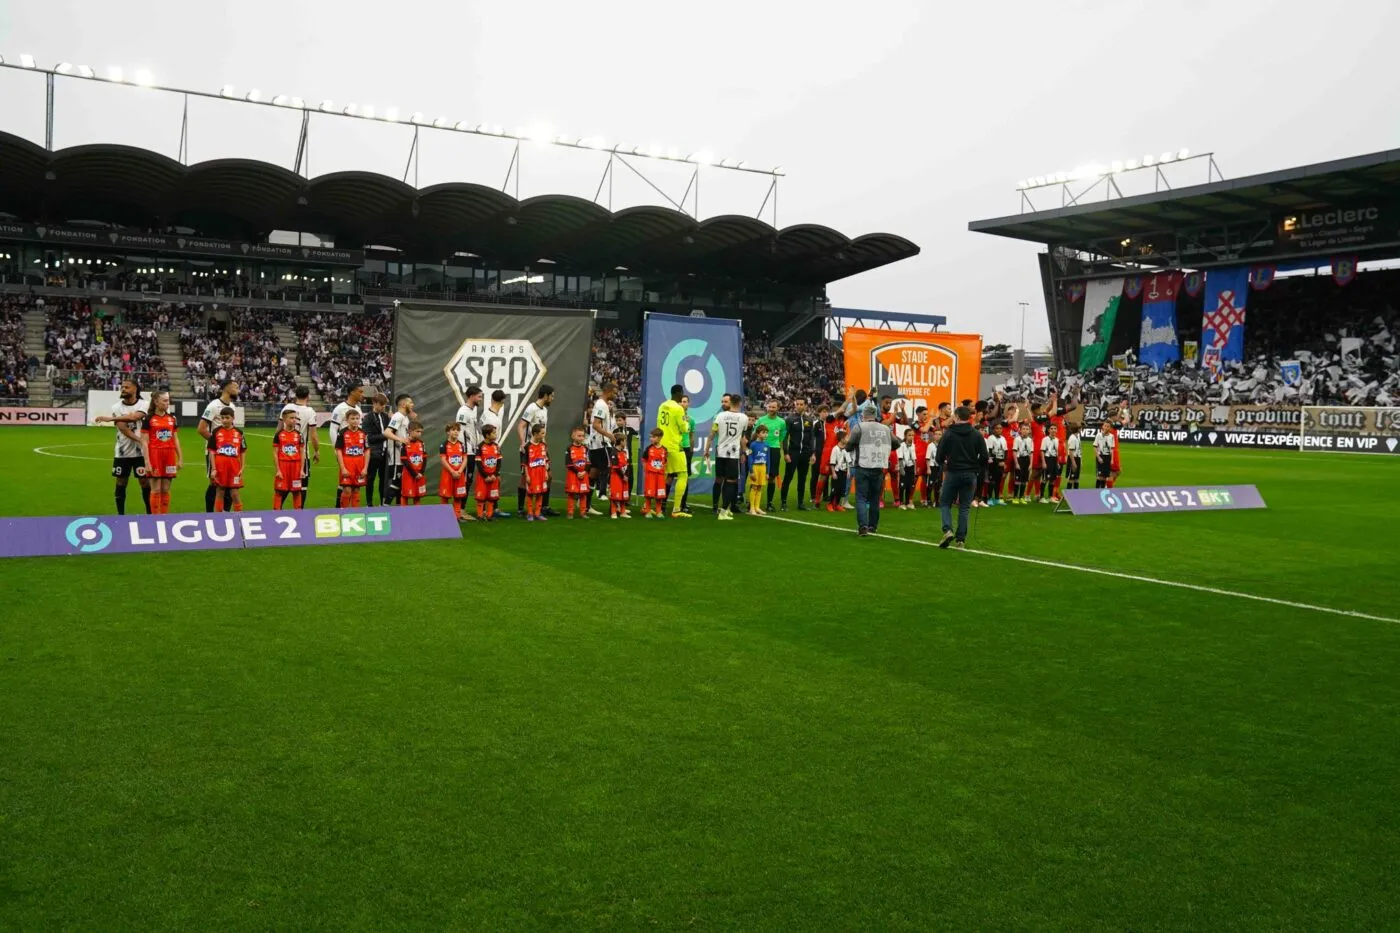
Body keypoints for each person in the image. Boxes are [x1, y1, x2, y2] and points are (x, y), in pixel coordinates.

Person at [92, 379, 151, 516]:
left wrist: (110, 419)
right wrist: (140, 440)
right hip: (122, 451)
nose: (123, 389)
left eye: (127, 387)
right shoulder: (116, 407)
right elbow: (123, 427)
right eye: (122, 387)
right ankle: (121, 514)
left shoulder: (144, 404)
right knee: (121, 481)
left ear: (135, 389)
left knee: (144, 482)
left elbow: (135, 417)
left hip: (142, 453)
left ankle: (150, 514)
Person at [936, 406, 988, 549]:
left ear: (957, 417)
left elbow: (939, 455)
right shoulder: (977, 434)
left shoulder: (949, 433)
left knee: (945, 503)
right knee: (964, 507)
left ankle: (947, 530)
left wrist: (944, 464)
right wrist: (976, 468)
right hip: (970, 474)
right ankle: (961, 540)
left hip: (953, 472)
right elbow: (985, 456)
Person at [843, 406, 898, 537]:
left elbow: (848, 446)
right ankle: (873, 526)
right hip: (879, 467)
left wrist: (855, 445)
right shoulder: (885, 428)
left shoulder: (859, 427)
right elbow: (896, 444)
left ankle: (863, 526)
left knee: (861, 498)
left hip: (863, 466)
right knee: (874, 498)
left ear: (864, 415)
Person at [197, 379, 239, 513]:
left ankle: (225, 513)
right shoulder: (213, 405)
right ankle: (209, 514)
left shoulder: (232, 406)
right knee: (215, 483)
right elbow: (201, 429)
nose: (238, 389)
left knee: (230, 483)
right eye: (235, 387)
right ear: (226, 388)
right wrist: (216, 444)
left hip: (230, 453)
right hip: (215, 453)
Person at [140, 390, 181, 515]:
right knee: (156, 489)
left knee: (165, 489)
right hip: (155, 455)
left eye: (168, 400)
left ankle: (164, 517)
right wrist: (147, 462)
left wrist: (180, 458)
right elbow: (144, 442)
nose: (167, 403)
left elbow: (175, 439)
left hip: (169, 456)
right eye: (164, 400)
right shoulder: (148, 419)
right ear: (156, 402)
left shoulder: (172, 419)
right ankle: (155, 518)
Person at [516, 384, 554, 517]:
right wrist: (523, 444)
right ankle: (521, 509)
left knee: (548, 476)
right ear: (546, 395)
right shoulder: (532, 408)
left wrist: (545, 444)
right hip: (530, 449)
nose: (552, 398)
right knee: (524, 479)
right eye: (552, 396)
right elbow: (521, 425)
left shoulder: (544, 410)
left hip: (541, 448)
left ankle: (544, 507)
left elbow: (543, 431)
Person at [709, 393, 748, 521]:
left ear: (730, 402)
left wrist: (706, 449)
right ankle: (724, 510)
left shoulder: (720, 415)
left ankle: (720, 508)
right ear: (740, 403)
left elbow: (712, 434)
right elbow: (743, 438)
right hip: (733, 453)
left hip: (720, 452)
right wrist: (745, 452)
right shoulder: (744, 418)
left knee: (720, 478)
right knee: (730, 481)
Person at [280, 386, 321, 508]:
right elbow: (313, 435)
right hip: (301, 453)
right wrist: (317, 451)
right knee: (302, 485)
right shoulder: (310, 412)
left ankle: (276, 510)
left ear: (295, 395)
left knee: (283, 483)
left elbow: (278, 430)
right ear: (308, 396)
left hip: (285, 453)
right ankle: (299, 512)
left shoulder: (287, 408)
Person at [655, 384, 691, 518]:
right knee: (683, 475)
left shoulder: (662, 405)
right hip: (675, 446)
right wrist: (686, 424)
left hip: (662, 446)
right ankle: (676, 509)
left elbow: (659, 424)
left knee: (666, 476)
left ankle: (660, 506)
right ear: (679, 393)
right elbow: (684, 428)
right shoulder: (679, 409)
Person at [780, 398, 819, 511]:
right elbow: (785, 437)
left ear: (805, 406)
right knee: (788, 477)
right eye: (797, 404)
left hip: (805, 453)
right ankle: (783, 503)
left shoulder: (809, 419)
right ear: (794, 405)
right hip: (793, 452)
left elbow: (812, 437)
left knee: (802, 478)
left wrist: (813, 453)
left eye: (801, 404)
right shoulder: (790, 419)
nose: (799, 406)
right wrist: (786, 452)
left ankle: (801, 503)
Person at [330, 383, 364, 505]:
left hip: (356, 453)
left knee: (354, 483)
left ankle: (349, 509)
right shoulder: (340, 408)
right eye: (360, 391)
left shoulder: (358, 409)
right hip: (345, 452)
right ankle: (340, 507)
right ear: (352, 392)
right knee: (345, 482)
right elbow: (333, 429)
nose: (362, 394)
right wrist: (336, 450)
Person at [206, 407, 245, 512]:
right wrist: (214, 469)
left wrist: (242, 467)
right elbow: (212, 451)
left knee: (235, 493)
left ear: (233, 418)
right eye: (222, 418)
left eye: (227, 418)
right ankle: (218, 518)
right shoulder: (216, 432)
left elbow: (242, 451)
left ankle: (240, 517)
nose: (224, 420)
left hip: (234, 467)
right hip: (220, 467)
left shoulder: (239, 433)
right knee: (220, 491)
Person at [587, 382, 618, 514]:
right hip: (601, 444)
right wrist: (609, 435)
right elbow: (596, 425)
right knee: (611, 470)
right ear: (609, 391)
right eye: (615, 392)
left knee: (594, 473)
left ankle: (585, 503)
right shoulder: (601, 405)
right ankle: (616, 507)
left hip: (597, 444)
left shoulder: (604, 405)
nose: (616, 395)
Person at [455, 385, 483, 519]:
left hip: (472, 450)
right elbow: (459, 431)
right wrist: (464, 451)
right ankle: (459, 510)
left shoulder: (473, 411)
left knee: (468, 480)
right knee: (464, 481)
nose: (481, 399)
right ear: (471, 396)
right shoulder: (463, 411)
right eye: (479, 396)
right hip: (466, 452)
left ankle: (461, 509)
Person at [754, 400, 786, 511]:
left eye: (774, 407)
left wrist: (776, 444)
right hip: (761, 448)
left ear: (778, 408)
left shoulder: (781, 422)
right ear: (767, 407)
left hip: (774, 449)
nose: (771, 409)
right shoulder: (761, 420)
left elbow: (782, 436)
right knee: (757, 475)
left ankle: (769, 503)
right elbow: (754, 433)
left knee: (772, 476)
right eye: (770, 407)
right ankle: (752, 503)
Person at [272, 407, 306, 510]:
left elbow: (302, 453)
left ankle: (298, 513)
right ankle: (276, 513)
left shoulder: (299, 435)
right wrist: (278, 470)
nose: (294, 420)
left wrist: (301, 470)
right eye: (291, 418)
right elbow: (275, 453)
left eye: (295, 418)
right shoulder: (279, 434)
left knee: (296, 491)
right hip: (283, 465)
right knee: (279, 490)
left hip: (295, 466)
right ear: (285, 419)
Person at [383, 393, 414, 506]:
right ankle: (384, 506)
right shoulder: (398, 416)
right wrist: (401, 439)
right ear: (403, 403)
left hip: (402, 454)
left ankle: (397, 507)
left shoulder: (404, 417)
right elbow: (387, 432)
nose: (412, 404)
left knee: (400, 483)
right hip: (397, 456)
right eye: (410, 402)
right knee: (397, 482)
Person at [335, 408, 369, 508]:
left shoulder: (363, 433)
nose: (355, 421)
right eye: (352, 418)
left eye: (357, 418)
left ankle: (355, 512)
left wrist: (365, 468)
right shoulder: (342, 433)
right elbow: (339, 450)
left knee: (356, 489)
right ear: (347, 420)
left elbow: (367, 450)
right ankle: (343, 511)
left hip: (359, 464)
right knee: (347, 489)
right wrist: (343, 468)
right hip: (347, 464)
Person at [437, 422, 469, 520]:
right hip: (448, 474)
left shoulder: (462, 445)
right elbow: (443, 460)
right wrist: (452, 471)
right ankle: (444, 516)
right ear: (448, 432)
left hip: (459, 474)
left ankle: (457, 516)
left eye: (457, 430)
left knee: (458, 496)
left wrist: (459, 471)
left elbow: (465, 459)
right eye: (453, 430)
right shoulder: (443, 445)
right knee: (445, 496)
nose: (456, 432)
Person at [364, 394, 390, 507]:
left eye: (384, 404)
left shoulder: (386, 417)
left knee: (383, 480)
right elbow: (368, 437)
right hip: (374, 453)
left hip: (385, 453)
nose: (383, 407)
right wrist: (385, 435)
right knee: (370, 479)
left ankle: (382, 502)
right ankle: (369, 503)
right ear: (374, 403)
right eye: (381, 404)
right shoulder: (368, 418)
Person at [641, 427, 670, 518]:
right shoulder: (649, 448)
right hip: (651, 475)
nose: (651, 439)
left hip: (660, 476)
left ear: (660, 437)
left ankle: (658, 511)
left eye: (653, 437)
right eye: (650, 437)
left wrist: (663, 472)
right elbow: (644, 460)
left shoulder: (664, 450)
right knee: (649, 494)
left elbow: (665, 462)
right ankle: (648, 511)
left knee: (659, 495)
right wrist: (646, 471)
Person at [524, 423, 550, 521]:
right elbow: (525, 463)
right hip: (531, 474)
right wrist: (527, 476)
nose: (544, 435)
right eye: (542, 433)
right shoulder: (527, 446)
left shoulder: (544, 445)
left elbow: (546, 460)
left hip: (542, 473)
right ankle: (530, 513)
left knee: (540, 493)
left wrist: (546, 472)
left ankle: (538, 513)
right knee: (530, 493)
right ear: (535, 434)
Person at [564, 427, 592, 519]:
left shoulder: (586, 448)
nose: (581, 438)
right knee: (571, 494)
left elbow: (588, 462)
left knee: (583, 494)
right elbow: (568, 463)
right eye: (579, 436)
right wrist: (577, 472)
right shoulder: (569, 448)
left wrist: (584, 471)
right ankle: (570, 512)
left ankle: (583, 512)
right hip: (573, 474)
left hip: (584, 474)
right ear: (573, 436)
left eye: (582, 436)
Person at [746, 423, 771, 516]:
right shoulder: (753, 444)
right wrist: (751, 471)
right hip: (755, 467)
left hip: (763, 468)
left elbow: (768, 459)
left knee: (760, 487)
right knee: (754, 487)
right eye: (763, 432)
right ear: (757, 434)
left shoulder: (767, 445)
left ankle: (757, 507)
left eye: (766, 433)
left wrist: (767, 472)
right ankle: (751, 507)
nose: (765, 435)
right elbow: (750, 457)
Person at [401, 422, 428, 506]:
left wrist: (421, 473)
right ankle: (403, 515)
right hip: (409, 474)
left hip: (419, 474)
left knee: (417, 495)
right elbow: (404, 461)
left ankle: (417, 514)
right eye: (417, 431)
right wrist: (414, 474)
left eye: (421, 432)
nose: (419, 434)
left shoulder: (422, 443)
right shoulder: (404, 443)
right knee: (405, 495)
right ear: (410, 431)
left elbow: (424, 459)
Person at [678, 396, 695, 513]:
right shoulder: (675, 417)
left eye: (684, 402)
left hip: (686, 448)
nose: (682, 404)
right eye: (680, 402)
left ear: (688, 404)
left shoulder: (691, 420)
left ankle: (683, 504)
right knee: (669, 476)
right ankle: (661, 504)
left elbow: (691, 436)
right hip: (675, 448)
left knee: (685, 478)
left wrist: (691, 450)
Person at [984, 422, 1008, 506]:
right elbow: (990, 452)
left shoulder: (1003, 439)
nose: (999, 430)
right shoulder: (991, 438)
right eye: (997, 428)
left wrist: (1004, 461)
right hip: (993, 463)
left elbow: (1006, 451)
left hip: (1001, 462)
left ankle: (997, 498)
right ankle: (989, 498)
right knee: (991, 481)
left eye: (1000, 428)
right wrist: (998, 462)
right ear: (993, 429)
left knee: (998, 481)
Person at [826, 429, 849, 512]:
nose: (848, 439)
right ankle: (830, 504)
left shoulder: (846, 449)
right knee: (834, 489)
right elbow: (832, 462)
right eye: (846, 438)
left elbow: (847, 461)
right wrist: (833, 472)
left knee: (841, 489)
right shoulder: (835, 449)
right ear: (842, 439)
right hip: (836, 471)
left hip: (844, 471)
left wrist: (848, 471)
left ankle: (837, 505)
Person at [896, 427, 918, 509]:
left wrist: (915, 470)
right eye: (909, 435)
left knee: (910, 485)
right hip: (903, 467)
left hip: (911, 467)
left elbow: (914, 459)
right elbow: (900, 458)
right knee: (902, 485)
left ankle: (908, 502)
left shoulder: (913, 445)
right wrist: (901, 469)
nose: (911, 437)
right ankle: (901, 503)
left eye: (912, 435)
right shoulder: (901, 445)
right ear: (905, 436)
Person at [1012, 424, 1034, 504]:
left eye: (1027, 429)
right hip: (1019, 460)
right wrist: (1016, 463)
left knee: (1024, 480)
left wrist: (1031, 464)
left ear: (1029, 431)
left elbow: (1031, 453)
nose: (1025, 430)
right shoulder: (1017, 439)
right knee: (1018, 480)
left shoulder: (1030, 440)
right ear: (1020, 430)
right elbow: (1014, 451)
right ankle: (1015, 497)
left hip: (1026, 460)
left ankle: (1021, 497)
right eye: (1023, 429)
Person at [609, 441, 632, 519]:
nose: (625, 442)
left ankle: (623, 512)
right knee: (615, 495)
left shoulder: (624, 452)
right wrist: (623, 476)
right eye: (625, 441)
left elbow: (627, 464)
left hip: (624, 476)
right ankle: (613, 512)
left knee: (624, 494)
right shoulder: (613, 452)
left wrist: (626, 475)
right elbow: (615, 466)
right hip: (616, 476)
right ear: (621, 441)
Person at [1040, 426, 1061, 504]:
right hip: (1047, 459)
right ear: (1048, 430)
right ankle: (1041, 497)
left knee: (1052, 479)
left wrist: (1057, 462)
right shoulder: (1045, 439)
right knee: (1045, 479)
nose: (1053, 430)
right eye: (1051, 429)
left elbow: (1056, 452)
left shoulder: (1057, 440)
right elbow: (1042, 451)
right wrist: (1043, 462)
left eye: (1055, 429)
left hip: (1054, 460)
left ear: (1057, 430)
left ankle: (1050, 497)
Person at [1095, 419, 1117, 489]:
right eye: (1105, 426)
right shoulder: (1099, 435)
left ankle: (1102, 491)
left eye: (1108, 426)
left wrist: (1112, 459)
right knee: (1099, 476)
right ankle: (1096, 492)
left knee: (1105, 476)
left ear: (1110, 428)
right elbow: (1095, 447)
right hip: (1101, 456)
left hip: (1108, 457)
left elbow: (1112, 449)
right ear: (1103, 426)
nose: (1106, 427)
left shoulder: (1111, 436)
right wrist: (1098, 457)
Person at [1064, 425, 1083, 491]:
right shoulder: (1072, 438)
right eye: (1080, 428)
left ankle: (1075, 495)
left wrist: (1080, 461)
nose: (1081, 429)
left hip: (1077, 458)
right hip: (1073, 458)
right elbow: (1071, 451)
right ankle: (1068, 495)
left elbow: (1079, 449)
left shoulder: (1077, 437)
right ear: (1077, 429)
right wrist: (1073, 462)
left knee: (1077, 478)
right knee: (1071, 477)